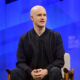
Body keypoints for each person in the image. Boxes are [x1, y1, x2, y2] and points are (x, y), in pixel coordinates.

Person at [11, 5, 65, 80]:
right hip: (30, 75)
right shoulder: (23, 38)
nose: (43, 18)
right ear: (32, 18)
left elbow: (60, 60)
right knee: (15, 72)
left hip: (49, 74)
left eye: (44, 15)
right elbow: (20, 62)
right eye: (39, 15)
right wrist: (30, 72)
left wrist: (46, 71)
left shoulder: (56, 36)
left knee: (55, 71)